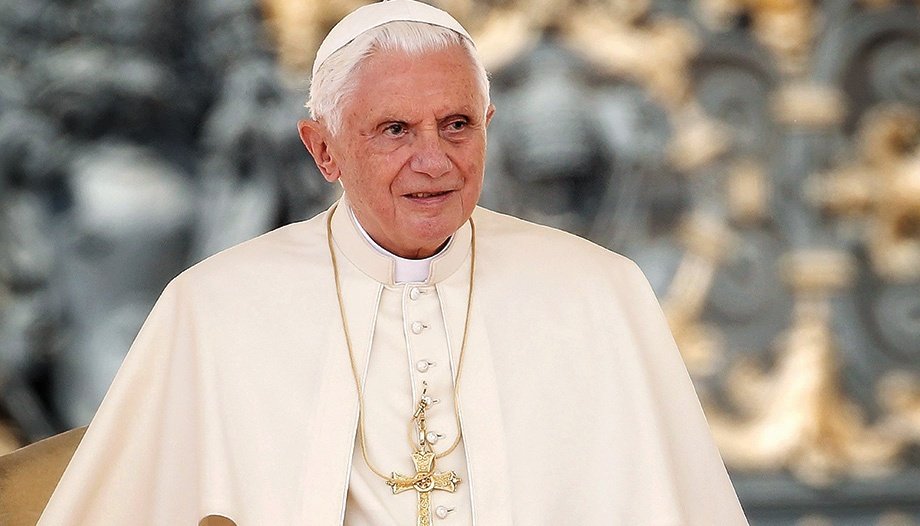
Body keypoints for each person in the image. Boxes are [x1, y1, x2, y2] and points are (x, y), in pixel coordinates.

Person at [39, 1, 748, 524]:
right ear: (323, 150)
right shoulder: (216, 308)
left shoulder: (599, 294)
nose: (433, 161)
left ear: (488, 129)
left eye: (457, 125)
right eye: (394, 130)